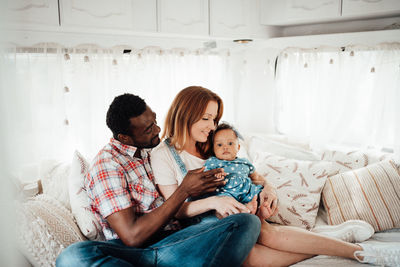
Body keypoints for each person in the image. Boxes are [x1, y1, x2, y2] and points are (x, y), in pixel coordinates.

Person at [151, 85, 400, 267]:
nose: (212, 126)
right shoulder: (164, 155)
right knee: (249, 259)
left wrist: (267, 189)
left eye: (214, 118)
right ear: (185, 114)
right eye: (205, 118)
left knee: (265, 233)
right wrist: (215, 202)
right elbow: (175, 208)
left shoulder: (214, 141)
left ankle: (359, 252)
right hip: (202, 224)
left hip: (241, 212)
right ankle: (323, 242)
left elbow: (248, 171)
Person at [56, 93, 261, 267]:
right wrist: (184, 191)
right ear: (124, 138)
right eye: (148, 129)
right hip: (137, 251)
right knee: (73, 256)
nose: (157, 130)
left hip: (177, 241)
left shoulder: (150, 151)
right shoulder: (107, 164)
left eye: (154, 121)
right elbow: (132, 237)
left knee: (245, 222)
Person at [203, 122, 275, 220]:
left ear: (238, 147)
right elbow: (205, 179)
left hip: (246, 192)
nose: (225, 147)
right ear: (214, 149)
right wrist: (214, 178)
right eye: (219, 145)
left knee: (258, 192)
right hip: (225, 193)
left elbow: (256, 178)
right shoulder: (213, 162)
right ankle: (240, 212)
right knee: (222, 202)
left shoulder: (244, 162)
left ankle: (260, 212)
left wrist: (265, 187)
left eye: (230, 143)